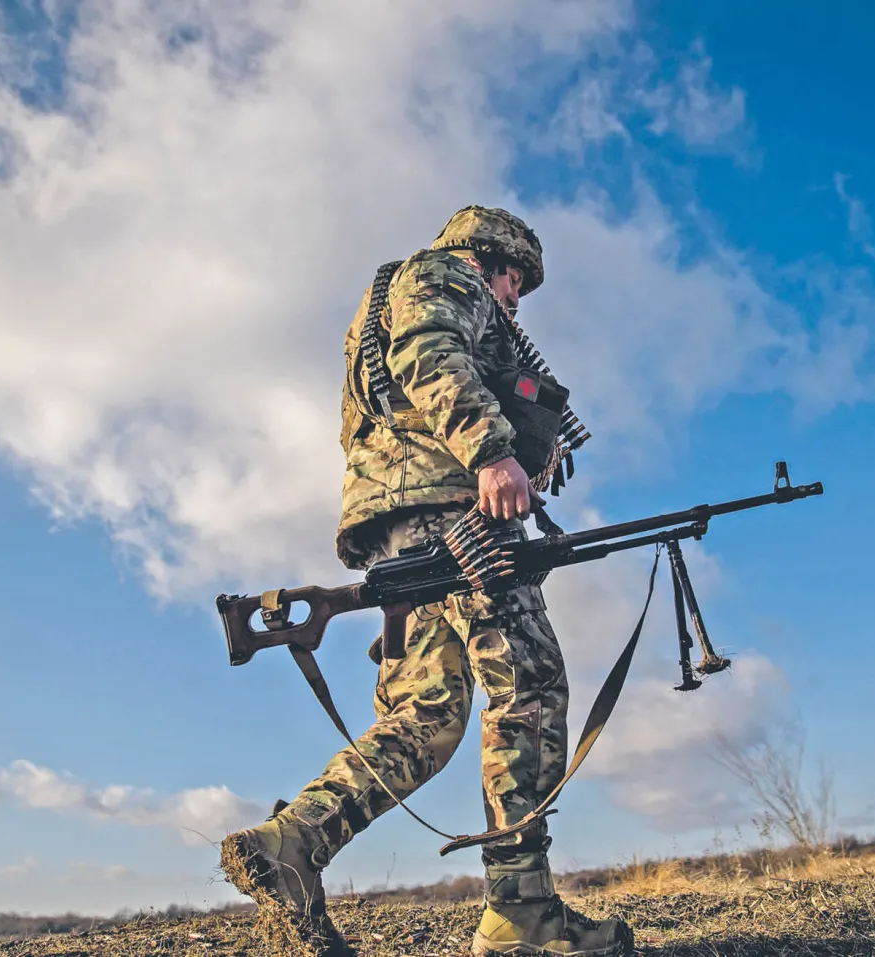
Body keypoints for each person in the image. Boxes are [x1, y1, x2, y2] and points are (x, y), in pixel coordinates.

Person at [219, 206, 633, 957]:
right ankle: (523, 913)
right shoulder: (446, 274)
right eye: (516, 279)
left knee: (427, 712)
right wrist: (491, 452)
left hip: (406, 523)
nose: (515, 296)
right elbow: (429, 351)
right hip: (459, 512)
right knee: (529, 686)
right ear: (491, 256)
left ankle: (293, 843)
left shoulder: (389, 296)